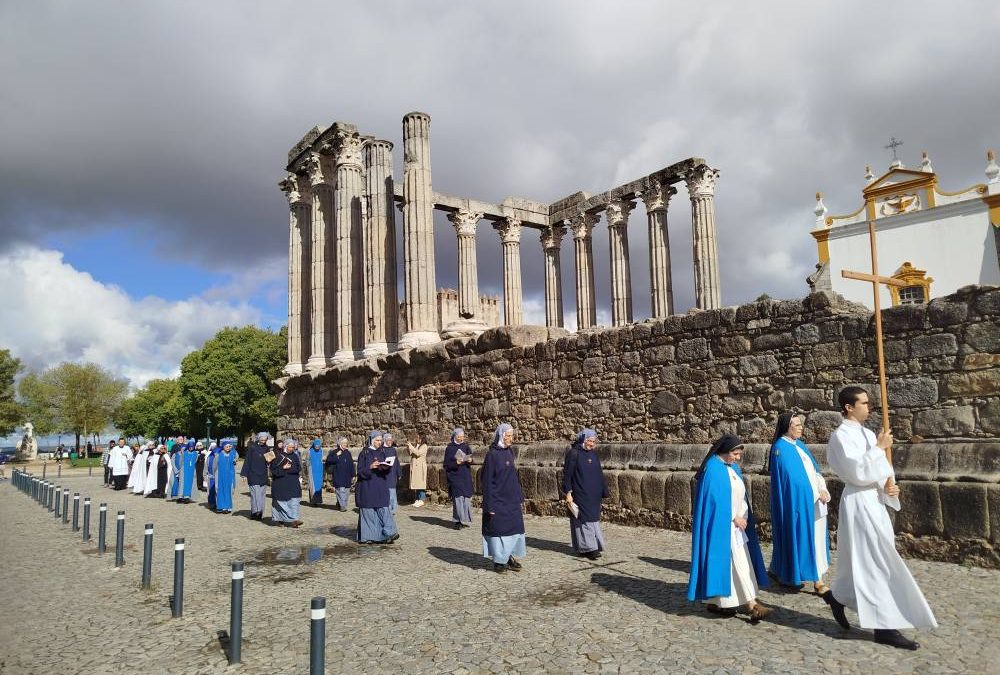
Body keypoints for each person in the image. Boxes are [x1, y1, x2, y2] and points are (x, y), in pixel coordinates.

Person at [823, 386, 937, 650]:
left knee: (868, 559)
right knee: (876, 562)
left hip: (875, 501)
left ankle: (839, 597)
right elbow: (856, 472)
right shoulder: (840, 436)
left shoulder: (866, 433)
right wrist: (879, 448)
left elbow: (881, 469)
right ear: (849, 407)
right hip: (859, 502)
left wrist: (889, 486)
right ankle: (885, 627)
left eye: (869, 402)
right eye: (863, 403)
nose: (869, 407)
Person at [687, 434, 772, 622]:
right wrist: (733, 517)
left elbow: (740, 496)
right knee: (737, 564)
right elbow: (713, 502)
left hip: (736, 528)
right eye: (735, 453)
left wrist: (742, 515)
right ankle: (752, 605)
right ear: (725, 451)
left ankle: (718, 602)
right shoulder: (713, 469)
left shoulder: (732, 468)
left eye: (739, 454)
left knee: (738, 565)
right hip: (722, 527)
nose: (738, 458)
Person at [767, 413, 830, 593]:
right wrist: (814, 494)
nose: (801, 427)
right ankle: (817, 582)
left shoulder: (800, 445)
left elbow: (814, 471)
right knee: (804, 538)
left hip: (814, 500)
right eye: (796, 425)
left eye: (801, 424)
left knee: (814, 538)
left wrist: (822, 488)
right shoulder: (780, 449)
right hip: (798, 504)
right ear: (787, 426)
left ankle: (779, 570)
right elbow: (791, 481)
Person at [481, 423, 526, 574]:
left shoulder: (510, 452)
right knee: (498, 531)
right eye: (507, 436)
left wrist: (519, 497)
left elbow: (512, 477)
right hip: (497, 500)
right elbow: (486, 482)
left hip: (511, 499)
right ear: (500, 436)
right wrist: (489, 505)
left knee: (513, 529)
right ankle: (499, 561)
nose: (510, 439)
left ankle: (508, 557)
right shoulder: (492, 455)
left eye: (512, 436)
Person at [562, 429, 609, 560]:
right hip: (580, 492)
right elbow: (567, 475)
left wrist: (604, 491)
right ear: (583, 439)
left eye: (593, 441)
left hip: (594, 494)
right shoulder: (574, 453)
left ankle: (591, 546)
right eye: (589, 441)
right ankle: (590, 548)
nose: (591, 444)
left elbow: (599, 474)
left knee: (593, 519)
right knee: (583, 519)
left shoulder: (593, 455)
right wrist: (568, 493)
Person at [355, 430, 399, 544]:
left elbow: (384, 469)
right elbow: (360, 471)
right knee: (369, 512)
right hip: (368, 486)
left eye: (381, 440)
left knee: (384, 508)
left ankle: (389, 533)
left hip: (380, 485)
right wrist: (370, 467)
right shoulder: (364, 453)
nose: (380, 443)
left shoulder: (382, 452)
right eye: (378, 440)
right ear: (372, 440)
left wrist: (386, 467)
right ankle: (370, 537)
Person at [443, 428, 474, 529]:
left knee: (465, 498)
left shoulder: (465, 446)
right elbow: (446, 465)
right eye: (459, 437)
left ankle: (464, 519)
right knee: (458, 499)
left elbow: (471, 459)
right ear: (455, 437)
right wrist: (456, 463)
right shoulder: (450, 448)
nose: (461, 439)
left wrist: (470, 459)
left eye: (462, 437)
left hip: (465, 476)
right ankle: (457, 521)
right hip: (455, 477)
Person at [270, 439, 303, 527]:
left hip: (293, 482)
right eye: (290, 447)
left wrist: (290, 469)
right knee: (281, 502)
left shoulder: (295, 456)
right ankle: (279, 519)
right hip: (280, 482)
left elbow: (299, 468)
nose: (292, 449)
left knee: (294, 501)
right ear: (285, 446)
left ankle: (294, 519)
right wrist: (283, 468)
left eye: (293, 447)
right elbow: (273, 470)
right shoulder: (278, 456)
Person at [241, 432, 272, 520]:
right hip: (253, 474)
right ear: (258, 439)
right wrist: (244, 474)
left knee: (262, 495)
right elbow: (247, 461)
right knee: (255, 494)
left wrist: (270, 460)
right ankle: (255, 512)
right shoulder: (252, 448)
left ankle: (260, 512)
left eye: (265, 440)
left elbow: (269, 461)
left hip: (263, 474)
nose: (263, 441)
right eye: (262, 440)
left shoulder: (267, 448)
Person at [326, 436, 355, 512]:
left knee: (346, 491)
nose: (346, 444)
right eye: (344, 443)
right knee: (340, 490)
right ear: (340, 444)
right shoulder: (334, 452)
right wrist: (336, 455)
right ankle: (343, 506)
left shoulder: (348, 453)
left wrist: (353, 475)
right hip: (338, 475)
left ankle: (340, 503)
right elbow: (328, 460)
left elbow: (351, 464)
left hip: (347, 476)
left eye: (346, 443)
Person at [214, 441, 238, 514]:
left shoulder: (232, 454)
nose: (228, 448)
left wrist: (235, 460)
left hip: (229, 476)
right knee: (221, 491)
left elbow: (237, 456)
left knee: (228, 491)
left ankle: (227, 507)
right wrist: (213, 474)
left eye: (229, 446)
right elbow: (214, 466)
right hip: (220, 475)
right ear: (223, 447)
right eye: (226, 447)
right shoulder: (218, 455)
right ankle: (221, 506)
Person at [407, 433, 429, 507]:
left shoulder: (424, 446)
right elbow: (411, 453)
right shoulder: (417, 446)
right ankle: (417, 499)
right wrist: (408, 447)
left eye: (418, 438)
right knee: (416, 484)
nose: (417, 439)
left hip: (420, 468)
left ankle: (422, 499)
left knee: (420, 484)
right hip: (415, 467)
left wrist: (411, 446)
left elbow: (418, 453)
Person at [382, 431, 401, 514]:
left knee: (392, 491)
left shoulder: (393, 450)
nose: (390, 441)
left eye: (391, 440)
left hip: (392, 474)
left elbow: (396, 462)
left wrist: (399, 472)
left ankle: (393, 508)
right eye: (389, 440)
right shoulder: (381, 450)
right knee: (388, 491)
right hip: (385, 474)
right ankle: (389, 508)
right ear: (385, 440)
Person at [305, 438, 325, 507]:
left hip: (319, 470)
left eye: (318, 445)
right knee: (313, 486)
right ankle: (313, 501)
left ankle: (318, 500)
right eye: (316, 445)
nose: (317, 446)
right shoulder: (309, 451)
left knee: (318, 486)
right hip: (312, 471)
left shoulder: (321, 451)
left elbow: (321, 459)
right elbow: (307, 461)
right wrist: (309, 469)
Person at [206, 442, 219, 510]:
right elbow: (206, 466)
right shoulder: (209, 456)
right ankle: (211, 503)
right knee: (211, 491)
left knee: (217, 491)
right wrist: (205, 475)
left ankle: (217, 503)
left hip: (218, 477)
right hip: (211, 477)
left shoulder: (220, 455)